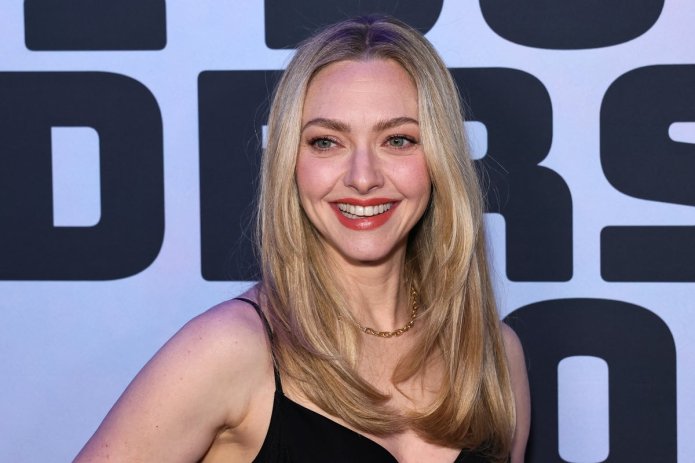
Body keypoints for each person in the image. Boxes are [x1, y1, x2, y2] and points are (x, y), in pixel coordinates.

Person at [74, 15, 530, 463]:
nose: (363, 178)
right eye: (326, 142)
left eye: (398, 140)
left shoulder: (494, 357)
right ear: (290, 162)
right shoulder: (231, 350)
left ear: (441, 159)